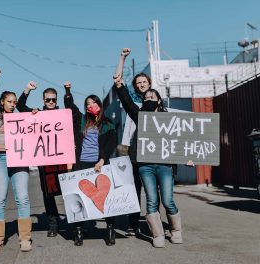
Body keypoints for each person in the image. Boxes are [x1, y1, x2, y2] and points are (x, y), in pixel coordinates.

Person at [113, 48, 184, 248]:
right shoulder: (138, 115)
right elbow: (123, 93)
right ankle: (157, 235)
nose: (149, 98)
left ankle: (176, 230)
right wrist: (122, 60)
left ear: (159, 100)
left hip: (165, 165)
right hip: (144, 164)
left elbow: (183, 137)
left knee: (168, 200)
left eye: (153, 96)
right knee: (151, 200)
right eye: (146, 97)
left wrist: (187, 154)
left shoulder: (169, 117)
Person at [63, 81, 117, 246]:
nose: (91, 105)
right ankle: (78, 230)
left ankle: (110, 228)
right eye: (88, 104)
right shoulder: (80, 120)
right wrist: (68, 91)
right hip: (81, 164)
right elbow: (70, 106)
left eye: (94, 103)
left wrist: (102, 159)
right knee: (79, 198)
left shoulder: (108, 124)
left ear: (99, 105)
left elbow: (111, 143)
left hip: (100, 164)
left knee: (106, 198)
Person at [0, 69, 32, 252]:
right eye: (9, 102)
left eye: (14, 102)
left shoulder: (22, 118)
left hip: (19, 159)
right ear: (2, 102)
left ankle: (25, 238)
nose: (12, 105)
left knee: (22, 198)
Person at [16, 81, 66, 237]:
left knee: (68, 190)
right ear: (43, 100)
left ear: (57, 100)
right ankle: (53, 223)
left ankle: (76, 222)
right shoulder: (38, 115)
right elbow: (20, 107)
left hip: (63, 158)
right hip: (45, 161)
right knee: (48, 193)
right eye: (48, 100)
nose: (51, 102)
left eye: (53, 99)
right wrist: (27, 90)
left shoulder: (63, 114)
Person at [115, 49, 153, 236]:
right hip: (130, 147)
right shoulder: (132, 103)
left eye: (144, 82)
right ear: (135, 86)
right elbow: (117, 80)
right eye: (138, 83)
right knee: (134, 186)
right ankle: (133, 222)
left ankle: (153, 223)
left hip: (152, 149)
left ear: (149, 84)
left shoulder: (157, 101)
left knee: (153, 189)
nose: (141, 85)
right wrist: (122, 58)